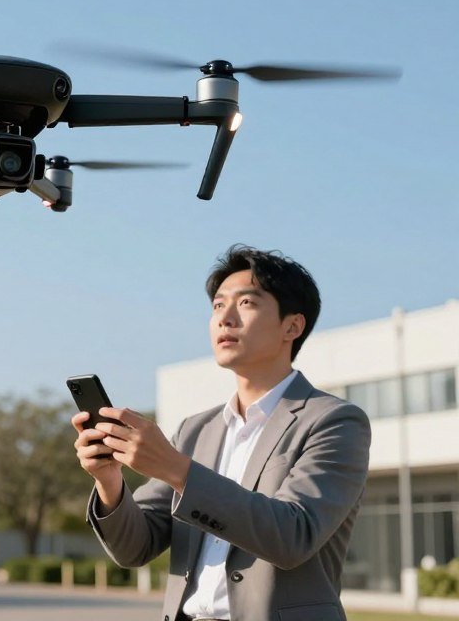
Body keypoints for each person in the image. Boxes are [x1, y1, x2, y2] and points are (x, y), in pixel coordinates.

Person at [73, 245, 371, 621]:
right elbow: (136, 547)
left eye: (246, 303)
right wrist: (109, 482)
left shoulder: (335, 420)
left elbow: (293, 536)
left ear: (292, 326)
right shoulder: (197, 430)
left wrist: (177, 469)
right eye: (217, 306)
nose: (224, 318)